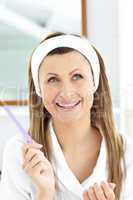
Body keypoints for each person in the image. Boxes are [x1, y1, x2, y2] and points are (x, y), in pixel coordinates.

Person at [0, 32, 133, 200]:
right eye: (53, 79)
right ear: (39, 89)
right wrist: (45, 193)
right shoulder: (19, 153)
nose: (66, 92)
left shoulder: (128, 154)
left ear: (94, 82)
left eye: (77, 76)